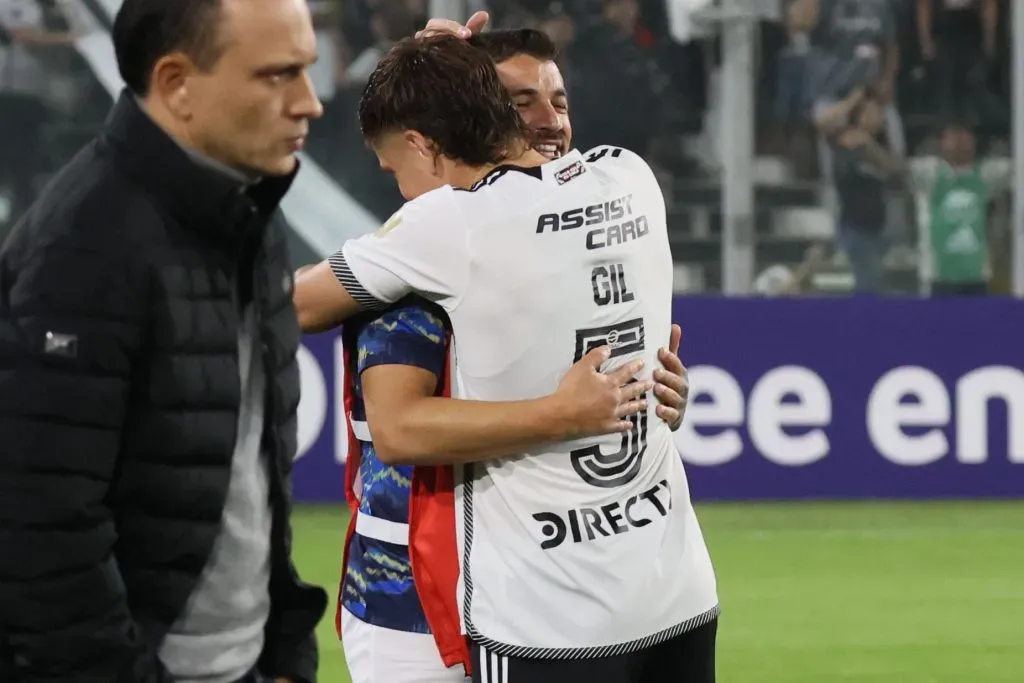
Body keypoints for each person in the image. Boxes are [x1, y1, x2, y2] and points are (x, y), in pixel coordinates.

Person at [294, 34, 718, 683]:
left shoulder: (447, 229)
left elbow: (293, 307)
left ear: (422, 144)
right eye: (524, 101)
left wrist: (567, 413)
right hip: (674, 590)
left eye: (393, 167)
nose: (549, 118)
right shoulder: (630, 175)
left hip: (543, 612)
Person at [0, 0, 327, 681]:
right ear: (176, 84)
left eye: (307, 70)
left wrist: (286, 654)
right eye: (277, 75)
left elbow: (256, 477)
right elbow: (41, 525)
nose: (309, 102)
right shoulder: (84, 245)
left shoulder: (250, 212)